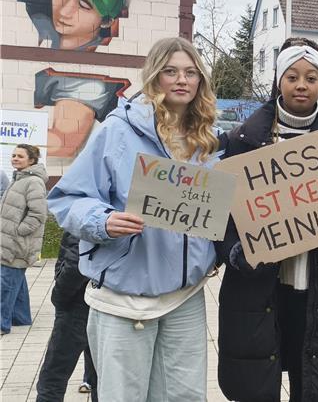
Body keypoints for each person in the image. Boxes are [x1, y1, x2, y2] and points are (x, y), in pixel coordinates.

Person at [47, 37, 221, 401]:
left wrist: (214, 250)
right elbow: (66, 199)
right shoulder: (116, 132)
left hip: (185, 298)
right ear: (155, 76)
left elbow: (212, 211)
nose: (181, 80)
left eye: (191, 72)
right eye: (171, 71)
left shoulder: (205, 141)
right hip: (125, 299)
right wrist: (103, 221)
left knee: (185, 397)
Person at [215, 37, 318, 402]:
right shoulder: (242, 142)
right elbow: (221, 217)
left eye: (312, 77)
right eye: (293, 76)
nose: (302, 85)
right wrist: (237, 252)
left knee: (313, 387)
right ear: (278, 81)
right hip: (257, 290)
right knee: (256, 387)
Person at [35, 231, 98, 402]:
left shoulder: (85, 210)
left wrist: (59, 296)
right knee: (101, 376)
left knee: (53, 376)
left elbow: (76, 260)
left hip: (77, 304)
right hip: (104, 302)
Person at [1, 144, 47, 335]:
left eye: (20, 156)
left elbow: (38, 214)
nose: (15, 159)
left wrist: (19, 231)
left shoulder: (33, 182)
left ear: (31, 160)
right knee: (15, 280)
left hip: (17, 243)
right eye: (13, 155)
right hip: (10, 240)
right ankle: (21, 318)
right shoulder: (19, 178)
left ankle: (2, 324)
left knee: (5, 283)